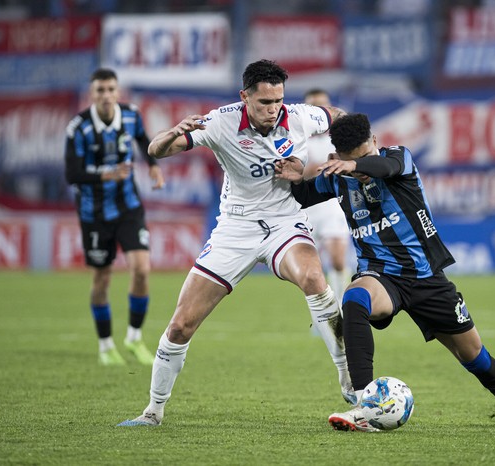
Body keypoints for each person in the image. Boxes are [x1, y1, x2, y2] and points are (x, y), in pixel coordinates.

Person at [275, 113, 495, 431]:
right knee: (355, 298)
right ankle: (364, 404)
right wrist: (294, 177)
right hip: (381, 276)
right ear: (339, 156)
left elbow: (383, 168)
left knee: (473, 357)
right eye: (351, 161)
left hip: (427, 279)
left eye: (365, 156)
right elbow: (304, 195)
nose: (359, 167)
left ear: (374, 141)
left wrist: (355, 165)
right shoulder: (337, 177)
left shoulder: (398, 158)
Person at [117, 59, 352, 427]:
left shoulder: (302, 116)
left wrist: (346, 153)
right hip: (235, 228)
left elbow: (338, 116)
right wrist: (169, 134)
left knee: (313, 279)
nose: (273, 110)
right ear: (245, 97)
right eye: (264, 103)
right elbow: (157, 150)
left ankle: (349, 383)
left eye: (278, 101)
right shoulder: (220, 121)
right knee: (181, 326)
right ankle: (153, 411)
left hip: (284, 222)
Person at [64, 68, 165, 366]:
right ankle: (106, 345)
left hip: (128, 206)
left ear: (117, 92)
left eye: (111, 90)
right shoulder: (78, 128)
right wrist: (106, 174)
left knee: (142, 269)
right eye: (100, 91)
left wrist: (154, 165)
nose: (106, 96)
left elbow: (145, 141)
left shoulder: (131, 115)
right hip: (94, 213)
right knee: (102, 277)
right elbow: (72, 174)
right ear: (91, 94)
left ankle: (134, 338)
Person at [302, 89, 351, 305]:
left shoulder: (340, 138)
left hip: (333, 206)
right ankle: (323, 310)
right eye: (313, 106)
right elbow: (296, 174)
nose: (318, 111)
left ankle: (343, 305)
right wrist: (314, 168)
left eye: (322, 106)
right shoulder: (298, 138)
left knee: (338, 261)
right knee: (309, 269)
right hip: (307, 208)